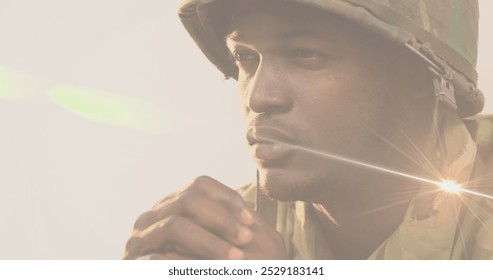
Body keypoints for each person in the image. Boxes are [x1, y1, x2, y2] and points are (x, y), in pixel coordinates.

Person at [123, 0, 493, 259]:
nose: (259, 96)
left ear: (415, 78)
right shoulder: (223, 236)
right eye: (245, 58)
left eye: (305, 54)